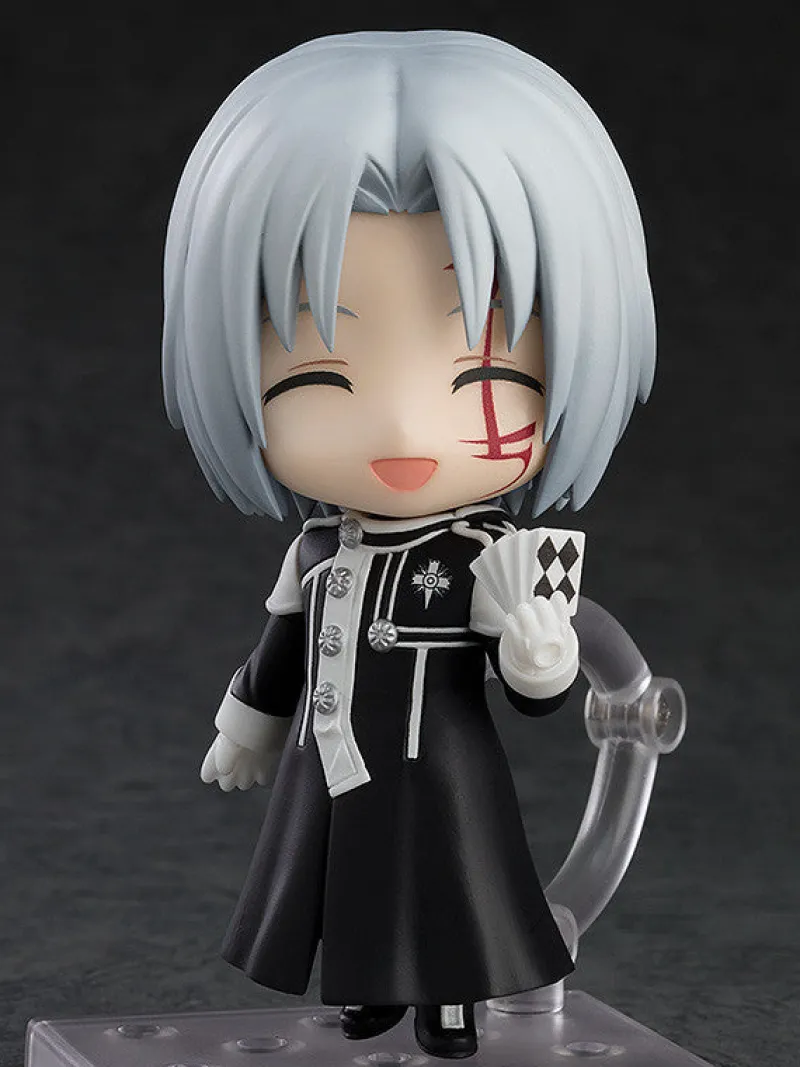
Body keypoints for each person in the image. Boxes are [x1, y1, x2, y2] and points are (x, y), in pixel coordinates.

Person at [162, 30, 655, 1059]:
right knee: (341, 876)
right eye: (319, 377)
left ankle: (449, 1005)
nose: (399, 425)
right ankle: (367, 993)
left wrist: (539, 655)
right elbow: (281, 650)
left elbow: (534, 690)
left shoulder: (487, 550)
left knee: (455, 883)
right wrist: (249, 723)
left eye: (482, 376)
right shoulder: (316, 551)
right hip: (330, 759)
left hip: (444, 766)